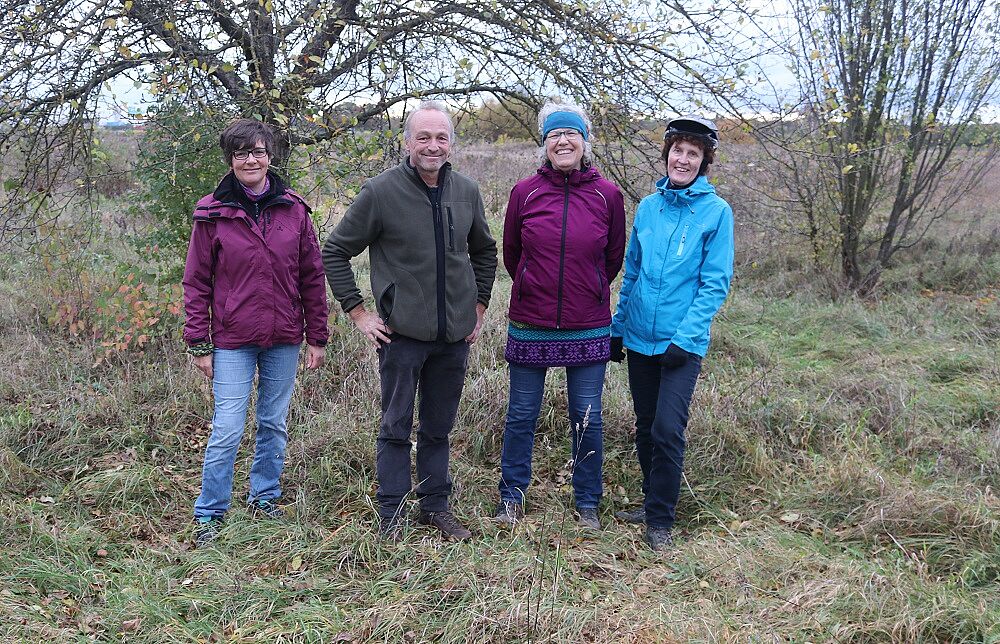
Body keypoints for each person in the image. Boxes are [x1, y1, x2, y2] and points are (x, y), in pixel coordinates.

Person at [322, 100, 497, 542]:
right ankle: (393, 514)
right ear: (407, 142)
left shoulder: (468, 192)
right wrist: (359, 313)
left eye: (441, 138)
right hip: (402, 336)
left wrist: (477, 307)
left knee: (439, 428)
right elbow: (335, 251)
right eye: (423, 137)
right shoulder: (380, 192)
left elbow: (484, 252)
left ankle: (436, 507)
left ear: (452, 145)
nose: (432, 146)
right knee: (396, 426)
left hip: (454, 338)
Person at [182, 118, 330, 547]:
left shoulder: (294, 208)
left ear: (270, 157)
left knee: (273, 423)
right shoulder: (212, 211)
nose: (251, 159)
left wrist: (316, 336)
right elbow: (196, 282)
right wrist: (199, 342)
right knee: (228, 426)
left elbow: (311, 275)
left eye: (259, 152)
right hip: (232, 339)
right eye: (242, 152)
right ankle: (210, 512)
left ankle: (264, 497)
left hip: (284, 336)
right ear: (231, 159)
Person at [492, 101, 626, 530]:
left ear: (584, 142)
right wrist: (535, 283)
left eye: (571, 134)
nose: (562, 141)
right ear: (544, 143)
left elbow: (613, 258)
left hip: (588, 323)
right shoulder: (524, 192)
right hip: (530, 320)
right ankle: (511, 497)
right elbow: (512, 253)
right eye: (554, 134)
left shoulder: (608, 196)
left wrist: (586, 289)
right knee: (521, 414)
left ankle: (587, 502)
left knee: (587, 417)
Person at [610, 115, 734, 551]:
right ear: (666, 156)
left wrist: (687, 336)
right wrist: (618, 327)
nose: (683, 159)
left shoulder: (716, 212)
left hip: (682, 344)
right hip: (641, 336)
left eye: (693, 153)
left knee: (667, 428)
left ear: (704, 162)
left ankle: (661, 519)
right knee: (645, 426)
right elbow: (634, 272)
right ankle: (650, 501)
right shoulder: (648, 207)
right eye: (677, 151)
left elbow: (714, 282)